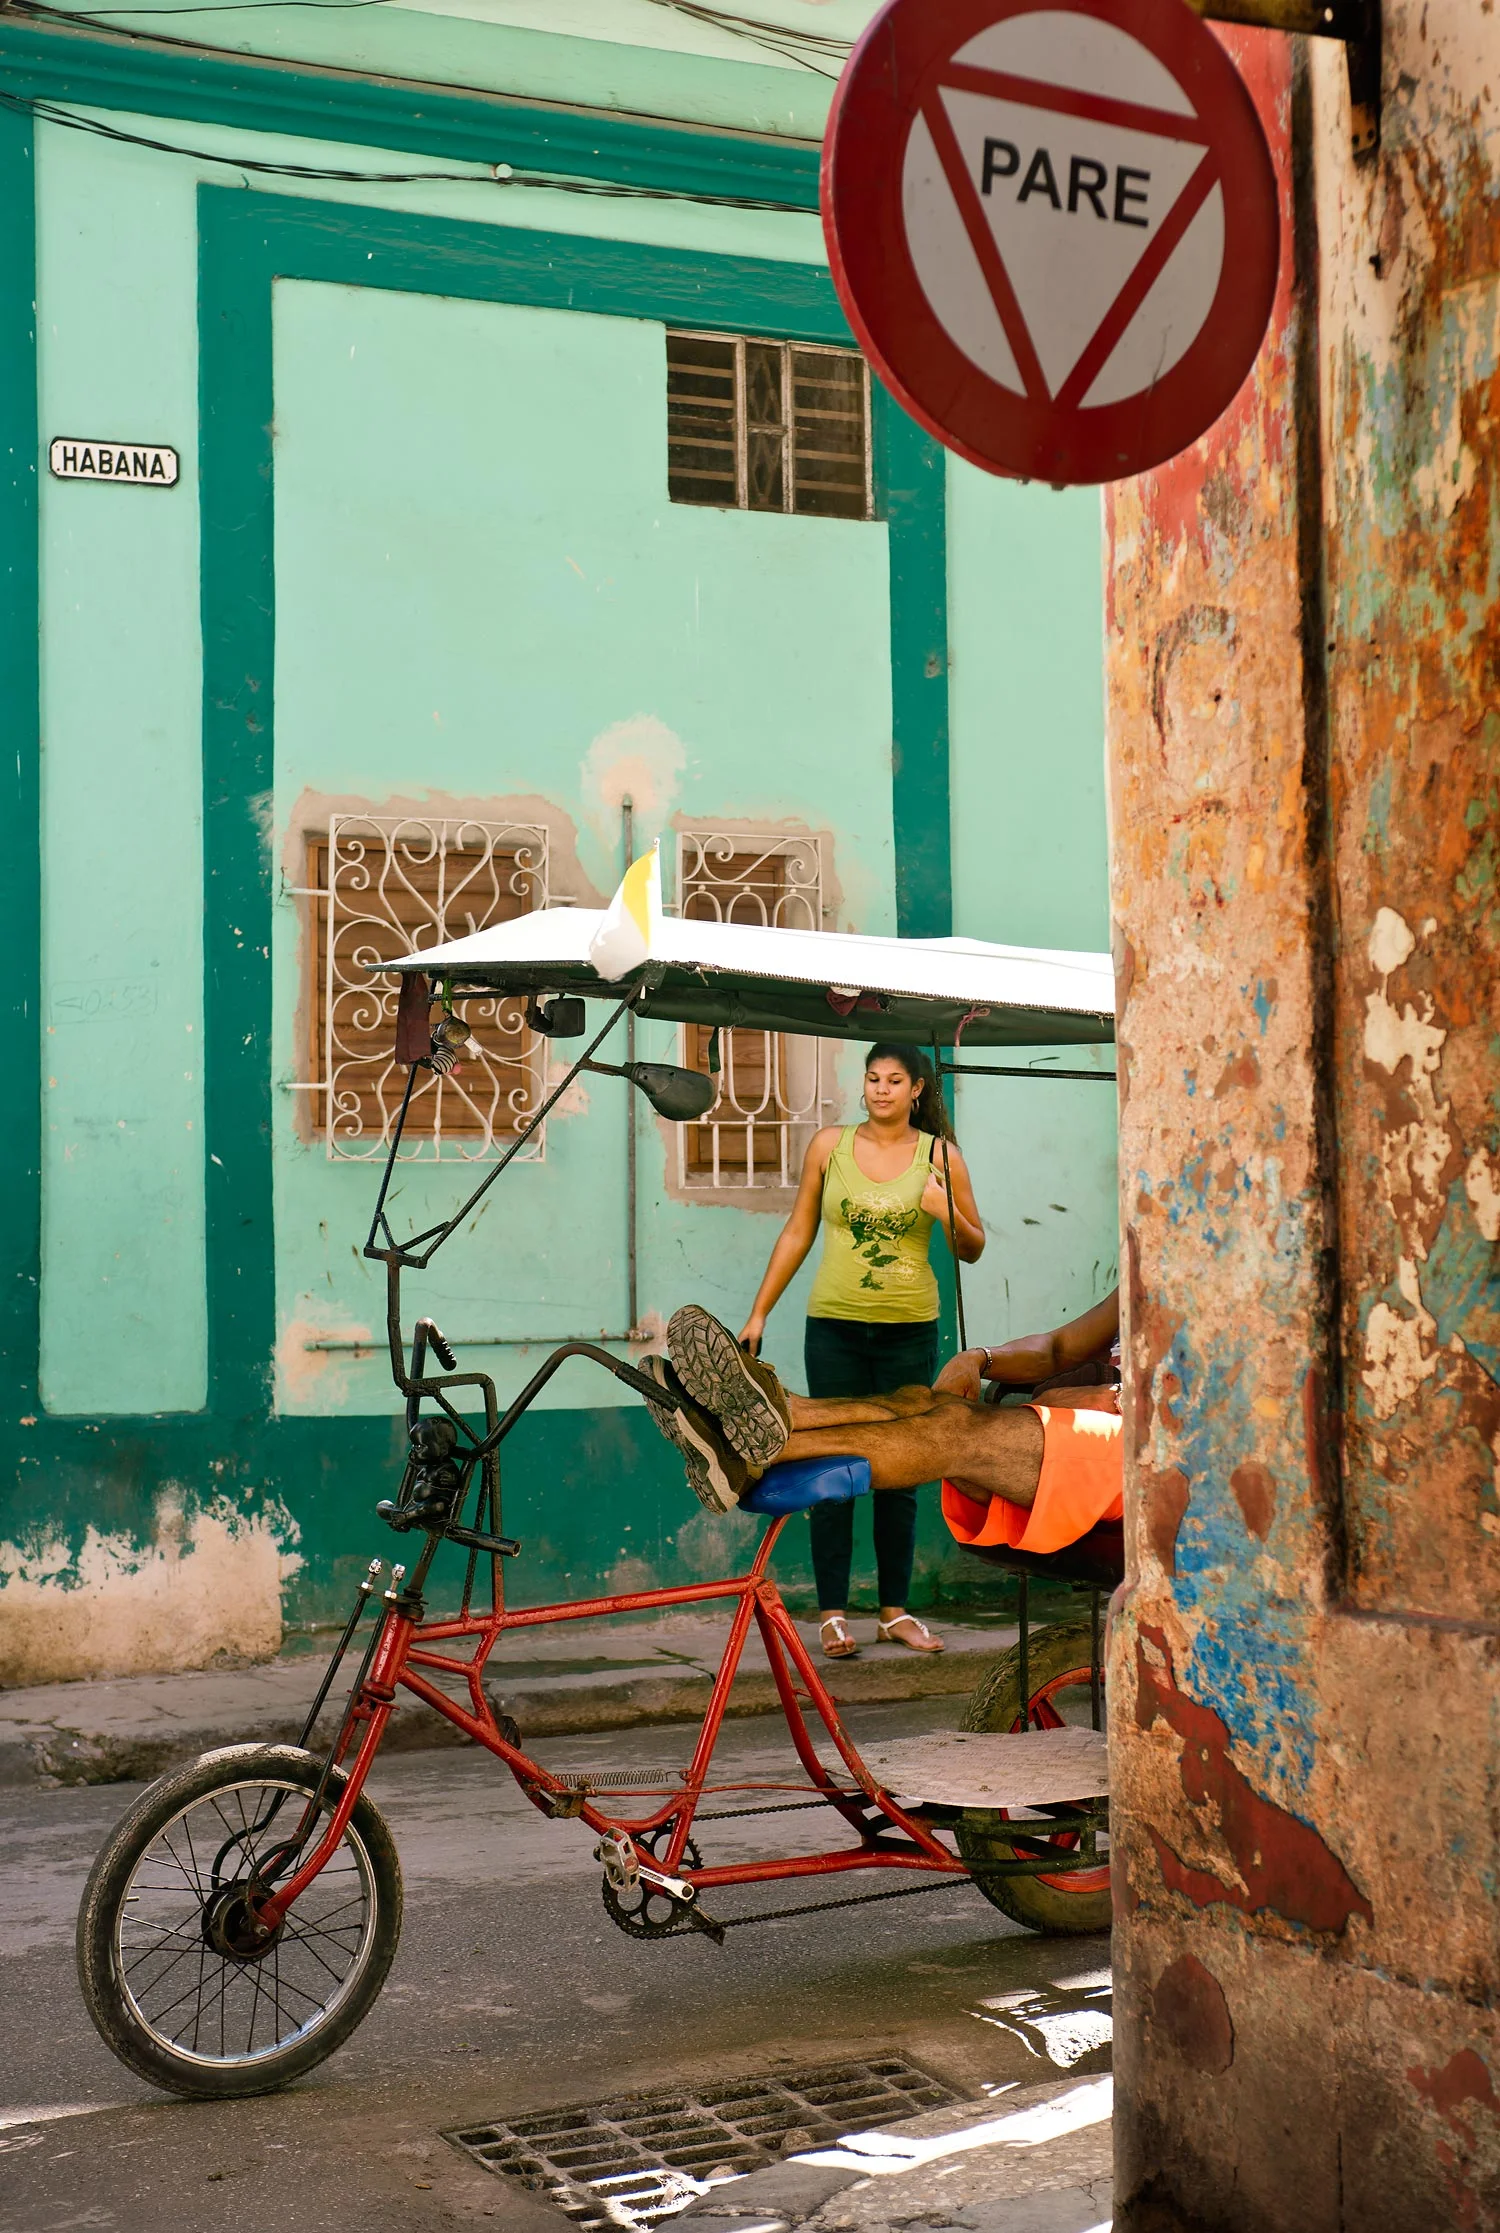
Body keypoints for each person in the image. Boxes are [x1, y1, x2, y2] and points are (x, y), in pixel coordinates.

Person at [736, 1044, 985, 1660]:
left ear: (917, 1090)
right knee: (835, 1467)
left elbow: (974, 1245)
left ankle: (894, 1611)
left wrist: (943, 1211)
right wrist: (759, 1310)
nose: (880, 1090)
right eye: (872, 1079)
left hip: (908, 1331)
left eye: (894, 1081)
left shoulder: (940, 1158)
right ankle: (832, 1614)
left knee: (900, 1472)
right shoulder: (829, 1147)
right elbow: (798, 1229)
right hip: (834, 1330)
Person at [642, 1305, 1121, 1561]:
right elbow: (1059, 1348)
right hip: (1086, 1439)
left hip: (1145, 1452)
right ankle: (781, 1412)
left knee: (953, 1430)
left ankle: (745, 1446)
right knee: (920, 1401)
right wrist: (978, 1357)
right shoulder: (1148, 1264)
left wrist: (1126, 1398)